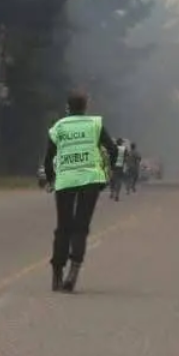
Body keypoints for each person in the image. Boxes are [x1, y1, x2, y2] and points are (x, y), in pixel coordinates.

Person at [42, 89, 117, 293]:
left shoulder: (58, 127)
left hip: (65, 180)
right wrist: (110, 171)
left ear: (68, 107)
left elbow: (48, 159)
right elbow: (113, 149)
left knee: (63, 227)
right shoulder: (95, 125)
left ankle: (57, 274)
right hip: (90, 180)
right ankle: (72, 274)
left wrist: (50, 179)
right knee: (81, 227)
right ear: (85, 108)